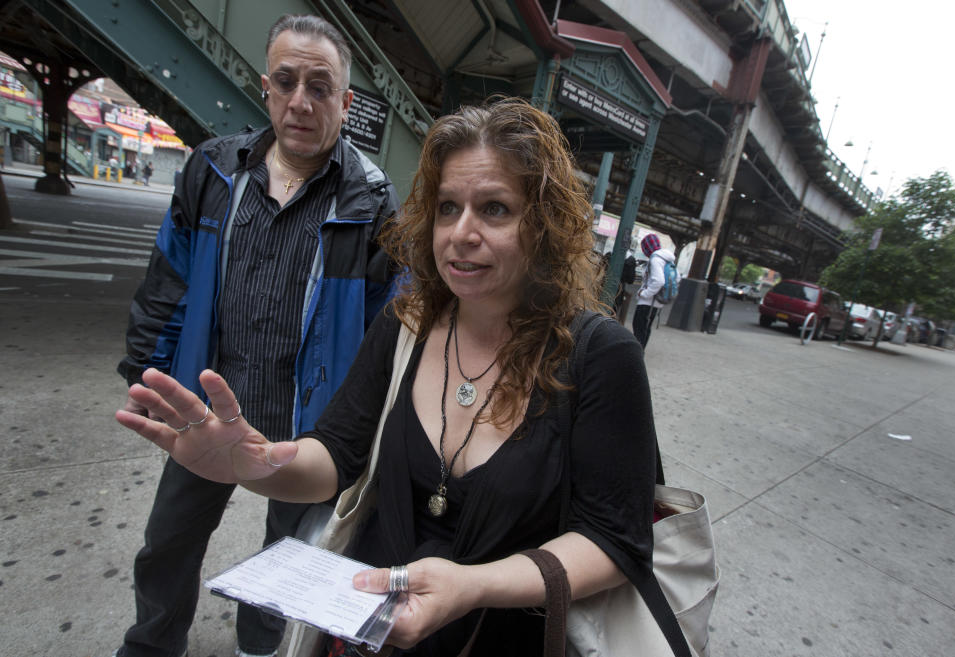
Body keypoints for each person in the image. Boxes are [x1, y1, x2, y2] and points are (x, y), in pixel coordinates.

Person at [116, 99, 663, 657]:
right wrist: (254, 464)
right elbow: (336, 455)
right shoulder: (407, 323)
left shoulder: (602, 356)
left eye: (495, 209)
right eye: (448, 208)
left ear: (543, 226)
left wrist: (472, 586)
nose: (462, 232)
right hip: (366, 636)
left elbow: (614, 540)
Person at [113, 14, 399, 657]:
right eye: (288, 81)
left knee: (286, 563)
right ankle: (152, 645)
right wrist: (146, 372)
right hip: (207, 412)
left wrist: (362, 432)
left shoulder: (373, 204)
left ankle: (258, 647)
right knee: (167, 543)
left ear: (346, 104)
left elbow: (385, 330)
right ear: (265, 87)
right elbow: (169, 279)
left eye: (320, 87)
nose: (301, 101)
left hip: (306, 427)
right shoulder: (213, 173)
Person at [632, 233, 675, 349]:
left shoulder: (656, 259)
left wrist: (644, 294)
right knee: (645, 330)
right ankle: (639, 354)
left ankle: (636, 356)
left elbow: (659, 281)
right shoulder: (667, 259)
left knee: (639, 330)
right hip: (656, 303)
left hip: (647, 302)